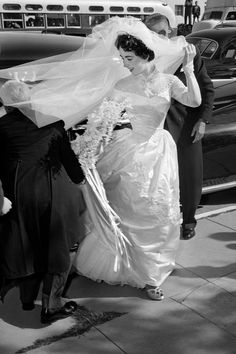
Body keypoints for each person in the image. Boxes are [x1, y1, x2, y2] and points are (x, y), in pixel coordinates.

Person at [69, 18, 202, 301]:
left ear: (146, 54)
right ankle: (123, 266)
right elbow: (103, 120)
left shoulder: (168, 81)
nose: (124, 62)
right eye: (121, 57)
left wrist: (189, 69)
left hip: (158, 151)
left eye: (128, 57)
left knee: (157, 211)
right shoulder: (121, 84)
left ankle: (152, 274)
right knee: (126, 208)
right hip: (127, 151)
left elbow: (194, 101)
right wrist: (92, 143)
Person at [0, 80, 86, 324]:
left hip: (18, 194)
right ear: (29, 98)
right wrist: (81, 181)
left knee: (28, 243)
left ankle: (27, 300)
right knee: (62, 247)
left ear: (6, 103)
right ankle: (51, 305)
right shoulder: (53, 122)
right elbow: (68, 160)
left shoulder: (1, 127)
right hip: (55, 193)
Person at [145, 12, 214, 240]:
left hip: (187, 127)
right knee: (161, 180)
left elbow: (207, 90)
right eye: (155, 34)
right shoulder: (142, 58)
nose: (161, 37)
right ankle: (164, 221)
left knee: (189, 176)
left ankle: (189, 222)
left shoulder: (187, 53)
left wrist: (202, 121)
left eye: (165, 32)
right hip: (156, 129)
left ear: (171, 32)